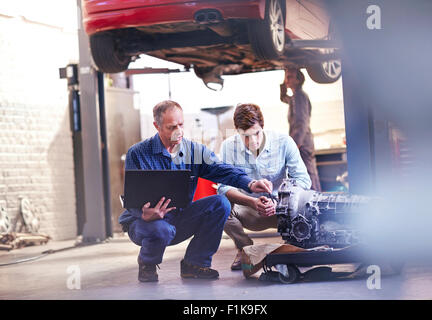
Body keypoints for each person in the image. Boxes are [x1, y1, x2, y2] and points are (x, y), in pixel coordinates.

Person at [118, 100, 272, 282]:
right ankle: (147, 264)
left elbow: (222, 169)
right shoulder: (137, 153)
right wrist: (144, 214)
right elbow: (133, 195)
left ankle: (195, 263)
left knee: (221, 203)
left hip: (180, 218)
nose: (179, 131)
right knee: (161, 229)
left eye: (181, 124)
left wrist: (250, 183)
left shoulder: (193, 150)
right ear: (156, 126)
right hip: (146, 224)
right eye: (171, 127)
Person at [218, 103, 311, 270]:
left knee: (309, 203)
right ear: (237, 131)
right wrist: (251, 202)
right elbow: (223, 187)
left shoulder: (284, 142)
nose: (252, 141)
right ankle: (245, 249)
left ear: (263, 126)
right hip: (249, 210)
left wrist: (280, 203)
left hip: (283, 210)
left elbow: (304, 180)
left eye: (256, 133)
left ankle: (292, 246)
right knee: (219, 205)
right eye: (245, 136)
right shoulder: (227, 147)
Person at [280, 67, 322, 191]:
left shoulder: (299, 96)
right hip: (303, 141)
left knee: (308, 174)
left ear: (298, 80)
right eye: (286, 77)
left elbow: (301, 122)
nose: (287, 80)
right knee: (307, 173)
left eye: (290, 77)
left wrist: (295, 144)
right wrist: (284, 80)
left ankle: (315, 201)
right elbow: (283, 98)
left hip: (302, 142)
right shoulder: (295, 97)